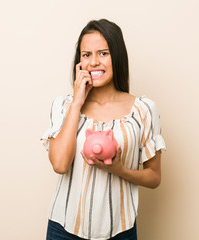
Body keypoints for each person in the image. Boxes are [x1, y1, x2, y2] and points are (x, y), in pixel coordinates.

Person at [41, 19, 166, 240]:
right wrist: (77, 101)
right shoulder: (63, 106)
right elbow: (60, 165)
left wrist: (120, 170)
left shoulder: (143, 110)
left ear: (116, 56)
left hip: (120, 230)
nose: (94, 62)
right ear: (79, 62)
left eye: (103, 53)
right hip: (64, 229)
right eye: (86, 55)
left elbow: (154, 177)